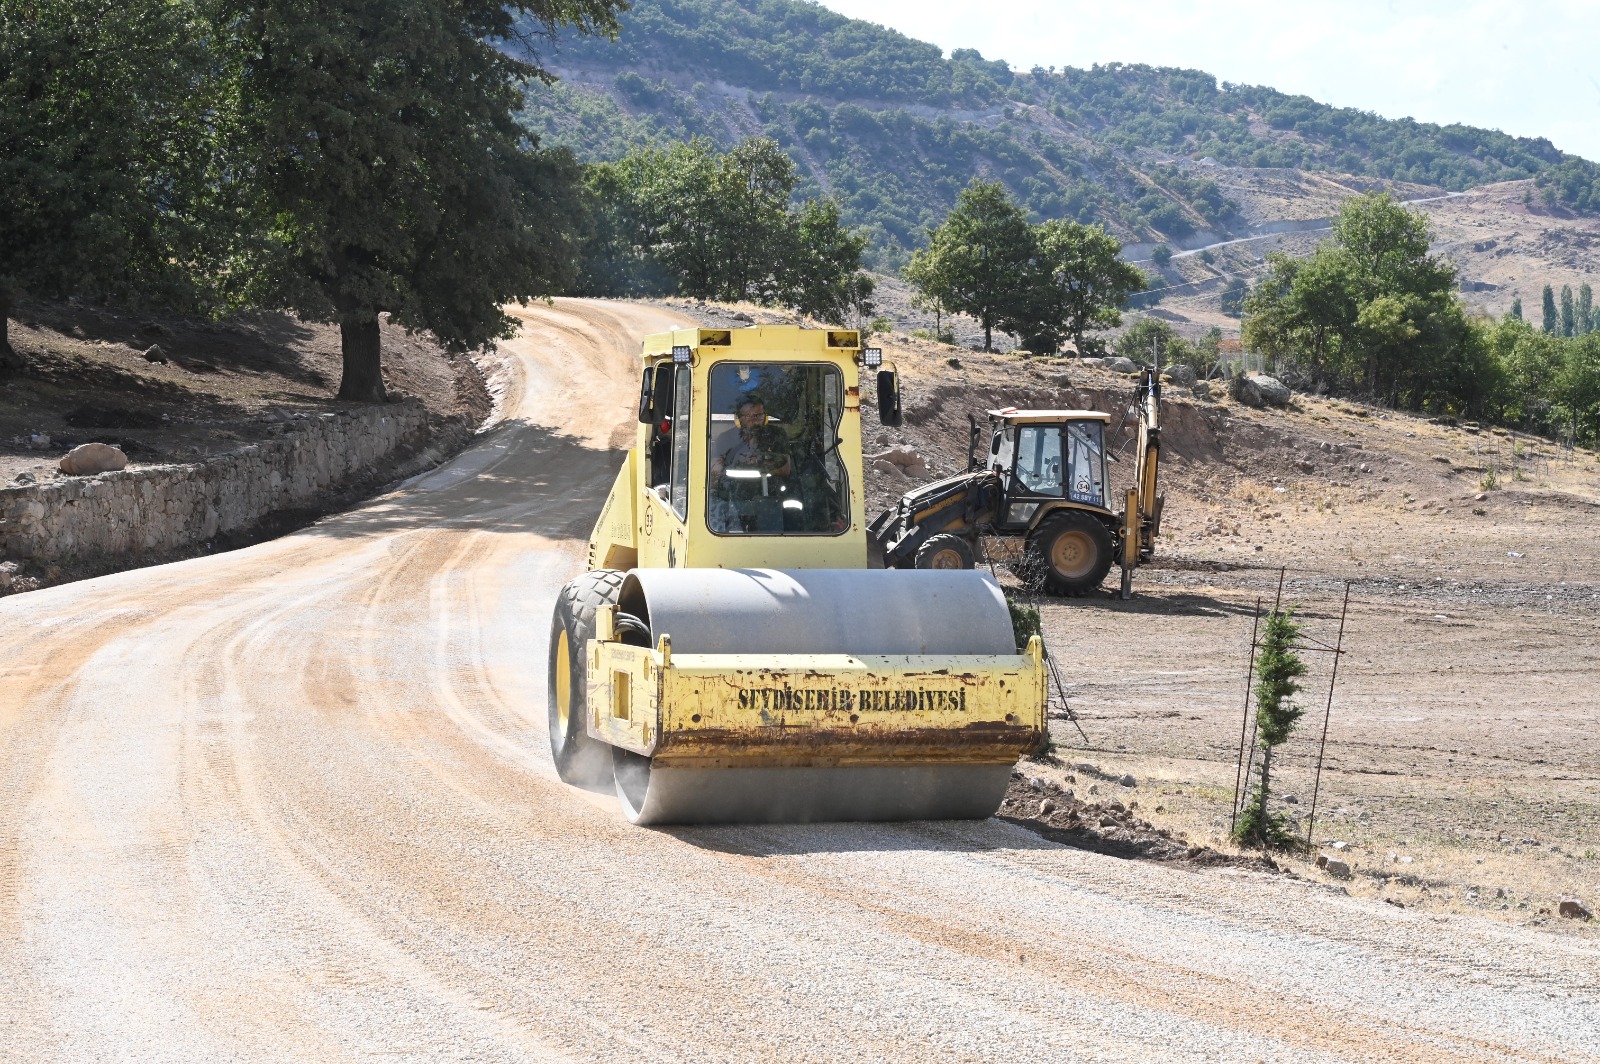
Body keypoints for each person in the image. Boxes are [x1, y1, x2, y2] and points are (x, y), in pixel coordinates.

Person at [710, 397, 790, 532]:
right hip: (734, 494)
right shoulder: (725, 438)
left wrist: (760, 464)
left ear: (765, 417)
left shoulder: (777, 435)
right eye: (748, 416)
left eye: (758, 415)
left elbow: (786, 469)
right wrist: (739, 464)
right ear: (739, 419)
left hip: (771, 494)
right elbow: (715, 474)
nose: (754, 420)